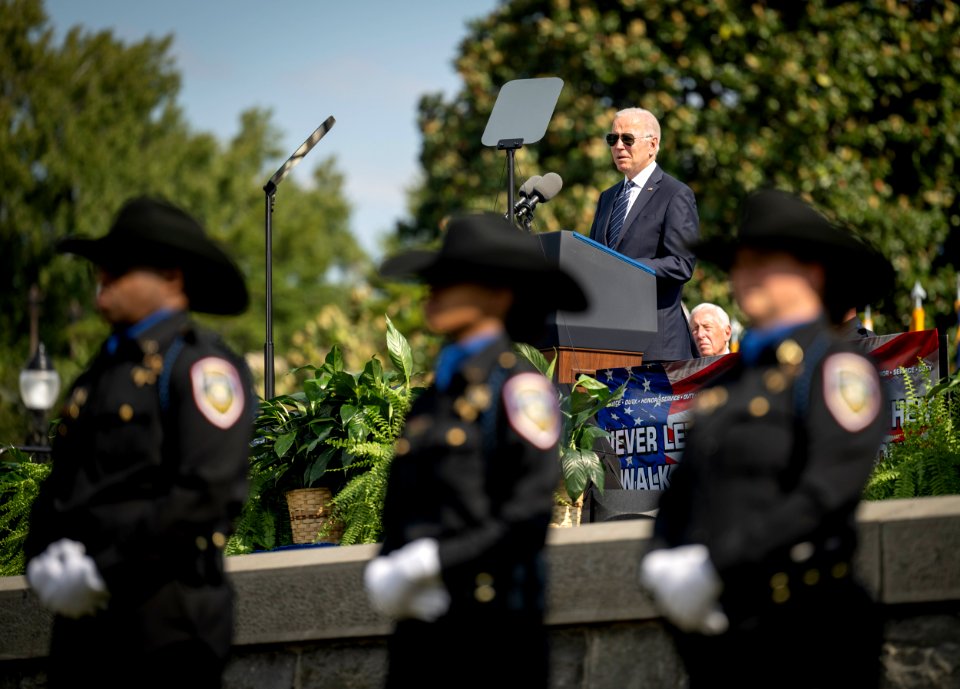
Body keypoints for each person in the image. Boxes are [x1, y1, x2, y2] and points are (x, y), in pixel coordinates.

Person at [638, 189, 894, 688]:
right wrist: (658, 561)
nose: (747, 273)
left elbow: (826, 491)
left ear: (813, 273)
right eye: (742, 261)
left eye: (767, 261)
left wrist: (716, 567)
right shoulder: (732, 381)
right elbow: (683, 489)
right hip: (722, 639)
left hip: (805, 632)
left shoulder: (836, 367)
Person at [24, 197, 255, 689]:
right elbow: (63, 485)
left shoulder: (199, 366)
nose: (102, 275)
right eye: (101, 264)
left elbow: (205, 493)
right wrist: (42, 558)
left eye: (121, 265)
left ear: (172, 277)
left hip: (164, 629)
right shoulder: (98, 374)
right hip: (84, 631)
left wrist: (103, 570)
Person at [364, 212, 588, 689]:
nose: (434, 290)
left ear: (499, 293)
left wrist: (434, 563)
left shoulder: (517, 388)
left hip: (493, 634)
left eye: (452, 279)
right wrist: (392, 560)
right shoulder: (434, 396)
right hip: (422, 632)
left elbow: (526, 514)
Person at [589, 107, 700, 362]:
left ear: (653, 144)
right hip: (608, 345)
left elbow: (681, 265)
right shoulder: (607, 198)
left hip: (655, 348)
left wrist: (625, 269)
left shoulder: (675, 194)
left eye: (627, 139)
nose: (618, 146)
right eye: (612, 139)